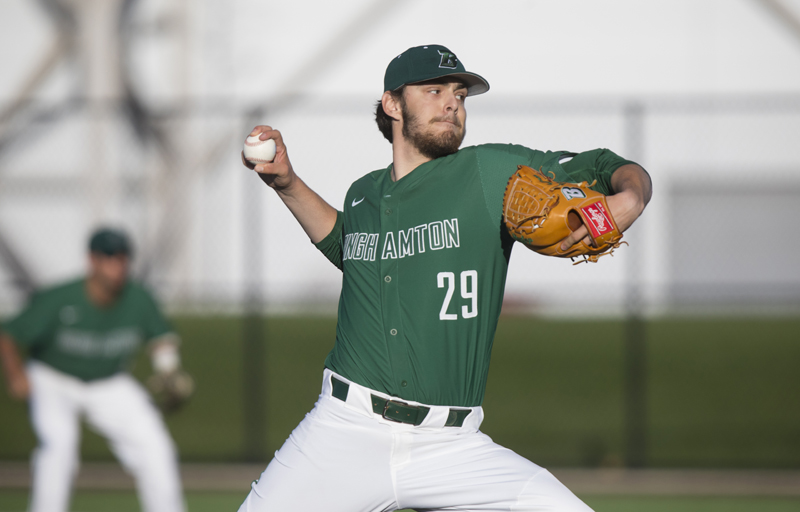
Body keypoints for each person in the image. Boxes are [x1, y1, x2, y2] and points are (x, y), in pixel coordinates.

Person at [239, 44, 652, 511]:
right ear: (392, 104)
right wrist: (288, 183)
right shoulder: (363, 194)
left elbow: (603, 165)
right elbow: (350, 250)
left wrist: (631, 198)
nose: (452, 102)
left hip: (453, 448)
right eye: (434, 91)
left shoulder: (489, 172)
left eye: (459, 93)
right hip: (343, 431)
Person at [0, 228, 186, 512]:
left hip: (108, 381)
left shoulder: (137, 298)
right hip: (54, 378)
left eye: (122, 258)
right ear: (93, 261)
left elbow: (161, 339)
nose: (117, 265)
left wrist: (169, 372)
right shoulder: (60, 298)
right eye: (109, 257)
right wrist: (16, 375)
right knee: (59, 446)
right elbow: (8, 334)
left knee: (155, 446)